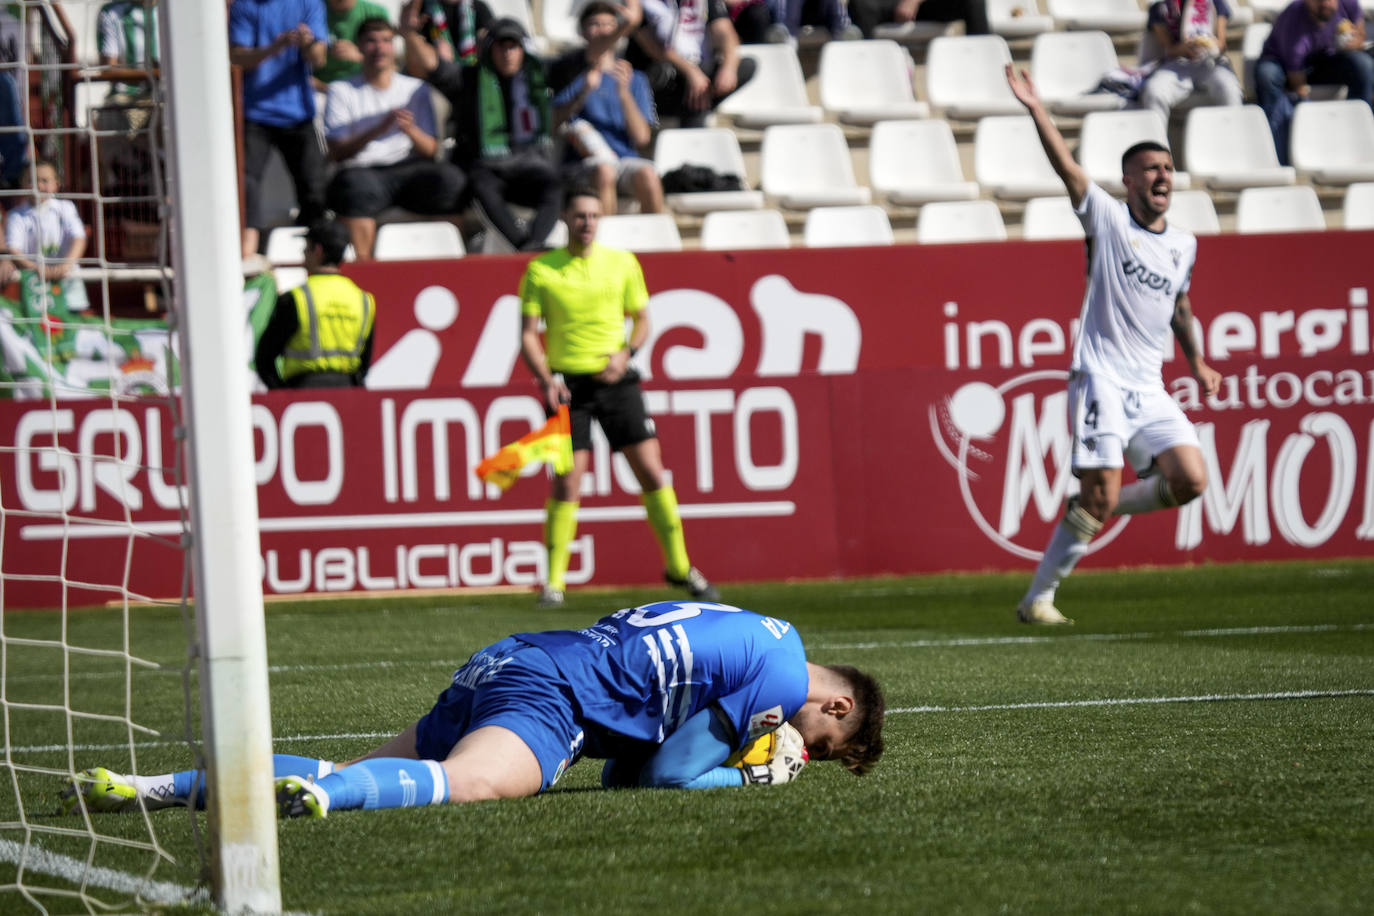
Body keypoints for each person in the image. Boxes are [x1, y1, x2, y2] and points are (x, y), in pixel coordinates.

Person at [60, 600, 886, 818]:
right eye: (821, 743)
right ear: (835, 702)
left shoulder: (757, 633)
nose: (797, 748)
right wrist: (741, 784)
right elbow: (667, 780)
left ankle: (152, 786)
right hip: (556, 692)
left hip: (515, 658)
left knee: (371, 766)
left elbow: (626, 776)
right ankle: (329, 802)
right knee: (474, 785)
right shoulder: (780, 679)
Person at [1004, 64, 1222, 625]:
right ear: (1128, 181)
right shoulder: (1108, 221)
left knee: (1190, 480)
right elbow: (1069, 171)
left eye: (1169, 168)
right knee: (1101, 495)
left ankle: (1099, 505)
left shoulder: (1184, 245)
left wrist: (1197, 360)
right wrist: (1036, 109)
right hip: (1100, 376)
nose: (1162, 177)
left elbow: (1179, 306)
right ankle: (1039, 599)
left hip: (1148, 386)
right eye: (1150, 168)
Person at [519, 189, 716, 608]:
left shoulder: (623, 262)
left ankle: (680, 567)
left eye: (593, 215)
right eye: (579, 216)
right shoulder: (542, 270)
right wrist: (544, 379)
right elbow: (527, 335)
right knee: (568, 481)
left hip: (618, 381)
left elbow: (643, 318)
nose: (587, 223)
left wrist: (626, 352)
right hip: (568, 387)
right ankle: (554, 582)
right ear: (566, 219)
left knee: (650, 470)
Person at [400, 11, 563, 251]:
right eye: (501, 46)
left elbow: (584, 58)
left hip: (528, 167)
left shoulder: (537, 78)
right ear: (489, 50)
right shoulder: (468, 79)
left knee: (554, 183)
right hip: (487, 169)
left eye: (513, 46)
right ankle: (524, 247)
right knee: (481, 185)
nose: (507, 53)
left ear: (523, 50)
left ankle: (534, 245)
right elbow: (432, 65)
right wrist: (409, 34)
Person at [322, 17, 466, 259]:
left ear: (394, 46)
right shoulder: (341, 90)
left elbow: (431, 150)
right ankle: (365, 270)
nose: (379, 48)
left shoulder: (415, 89)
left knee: (450, 181)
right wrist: (378, 129)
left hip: (409, 169)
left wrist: (410, 130)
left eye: (386, 41)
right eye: (371, 41)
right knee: (352, 189)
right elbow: (337, 152)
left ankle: (451, 266)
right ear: (359, 46)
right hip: (363, 171)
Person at [229, 0, 331, 260]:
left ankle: (316, 249)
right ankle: (249, 250)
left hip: (299, 114)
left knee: (313, 186)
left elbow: (319, 58)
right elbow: (237, 57)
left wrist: (307, 44)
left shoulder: (309, 3)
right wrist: (277, 46)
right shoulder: (244, 6)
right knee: (246, 184)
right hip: (254, 114)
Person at [550, 0, 665, 216]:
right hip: (582, 165)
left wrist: (623, 93)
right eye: (594, 23)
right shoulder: (571, 71)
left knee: (648, 174)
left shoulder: (635, 78)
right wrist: (582, 92)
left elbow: (641, 138)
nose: (602, 29)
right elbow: (553, 123)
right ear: (583, 31)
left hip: (623, 161)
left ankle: (656, 244)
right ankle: (605, 242)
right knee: (605, 171)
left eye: (609, 24)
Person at [254, 219, 376, 389]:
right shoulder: (364, 300)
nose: (303, 252)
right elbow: (364, 363)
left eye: (306, 247)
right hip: (349, 392)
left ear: (317, 250)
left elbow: (264, 358)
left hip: (303, 391)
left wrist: (282, 395)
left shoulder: (296, 298)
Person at [1254, 0, 1372, 166]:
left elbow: (1360, 32)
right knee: (1267, 75)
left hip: (1324, 60)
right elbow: (1296, 77)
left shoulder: (1348, 4)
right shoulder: (1293, 18)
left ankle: (1361, 135)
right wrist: (1304, 100)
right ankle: (1277, 154)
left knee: (1363, 65)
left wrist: (1355, 42)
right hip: (1282, 64)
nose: (1325, 4)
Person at [626, 0, 756, 128]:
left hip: (700, 72)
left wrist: (729, 68)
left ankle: (694, 129)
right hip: (658, 79)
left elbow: (726, 33)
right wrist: (691, 72)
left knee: (746, 66)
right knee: (693, 84)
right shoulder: (641, 3)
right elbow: (653, 47)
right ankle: (693, 132)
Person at [1136, 0, 1243, 124]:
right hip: (1176, 65)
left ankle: (1232, 139)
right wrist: (1183, 48)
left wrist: (1210, 45)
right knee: (1154, 92)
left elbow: (1221, 45)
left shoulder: (1215, 2)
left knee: (1230, 89)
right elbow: (1169, 49)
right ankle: (1156, 143)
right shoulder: (1160, 7)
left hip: (1211, 64)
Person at [5, 160, 88, 302]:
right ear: (23, 184)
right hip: (34, 281)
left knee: (73, 318)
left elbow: (79, 238)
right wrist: (37, 269)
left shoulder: (66, 207)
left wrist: (66, 265)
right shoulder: (16, 215)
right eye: (32, 180)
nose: (38, 185)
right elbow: (14, 249)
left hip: (68, 278)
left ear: (57, 184)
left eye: (45, 180)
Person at [314, 0, 394, 88]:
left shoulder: (376, 13)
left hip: (363, 87)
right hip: (317, 90)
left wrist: (360, 56)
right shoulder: (311, 9)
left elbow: (391, 65)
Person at [848, 0, 987, 40]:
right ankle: (867, 69)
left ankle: (983, 64)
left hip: (927, 6)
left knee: (974, 2)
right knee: (860, 5)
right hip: (887, 5)